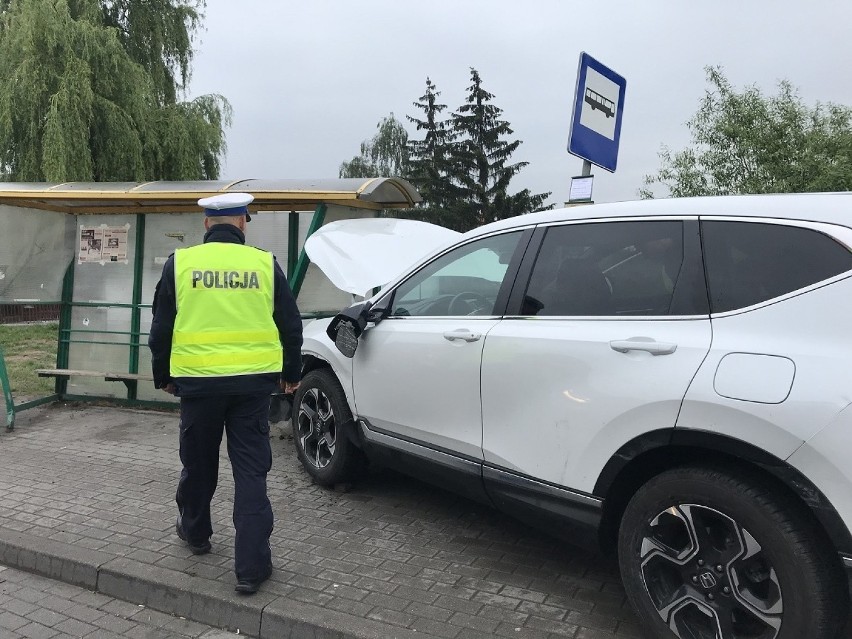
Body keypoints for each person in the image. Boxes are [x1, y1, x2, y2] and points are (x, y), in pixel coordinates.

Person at [148, 192, 302, 594]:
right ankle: (251, 569)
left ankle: (196, 534)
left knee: (198, 464)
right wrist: (291, 374)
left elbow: (162, 327)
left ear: (206, 224)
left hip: (197, 387)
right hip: (252, 388)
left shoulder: (180, 264)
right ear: (242, 223)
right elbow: (290, 324)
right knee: (251, 473)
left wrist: (162, 375)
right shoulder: (264, 264)